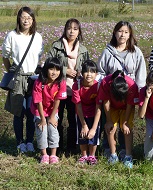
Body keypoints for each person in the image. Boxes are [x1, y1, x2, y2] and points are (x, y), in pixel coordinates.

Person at [97, 21, 147, 159]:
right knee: (110, 122)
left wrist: (140, 94)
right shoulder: (107, 52)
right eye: (120, 31)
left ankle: (125, 150)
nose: (122, 34)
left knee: (125, 123)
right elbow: (100, 72)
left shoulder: (136, 52)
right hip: (111, 92)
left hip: (129, 93)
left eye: (126, 32)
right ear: (114, 32)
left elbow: (141, 74)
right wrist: (106, 85)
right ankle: (109, 149)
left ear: (130, 34)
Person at [2, 6, 43, 153]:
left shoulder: (37, 37)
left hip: (33, 78)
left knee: (31, 111)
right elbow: (5, 56)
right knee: (18, 111)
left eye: (29, 18)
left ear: (33, 20)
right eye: (23, 17)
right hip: (18, 77)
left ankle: (29, 141)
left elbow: (38, 56)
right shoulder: (12, 35)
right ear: (18, 18)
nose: (26, 20)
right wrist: (11, 72)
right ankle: (20, 142)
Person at [48, 18, 89, 154]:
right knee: (57, 119)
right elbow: (49, 64)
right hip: (58, 89)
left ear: (79, 32)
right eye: (69, 28)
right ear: (65, 30)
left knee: (73, 119)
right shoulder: (56, 46)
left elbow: (87, 68)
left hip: (74, 90)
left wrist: (80, 73)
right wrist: (65, 70)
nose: (72, 31)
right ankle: (56, 147)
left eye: (75, 29)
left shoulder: (83, 50)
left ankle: (72, 148)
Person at [97, 70, 139, 168]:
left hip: (126, 108)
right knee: (111, 128)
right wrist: (108, 120)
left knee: (126, 129)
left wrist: (125, 122)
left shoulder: (131, 85)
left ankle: (128, 156)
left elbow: (130, 104)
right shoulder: (106, 82)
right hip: (112, 107)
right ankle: (113, 155)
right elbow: (106, 102)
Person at [31, 57, 66, 164]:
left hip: (52, 110)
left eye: (57, 69)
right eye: (51, 69)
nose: (54, 72)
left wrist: (52, 117)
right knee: (42, 129)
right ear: (46, 69)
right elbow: (38, 101)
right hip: (39, 110)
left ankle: (53, 155)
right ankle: (44, 154)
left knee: (53, 129)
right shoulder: (39, 82)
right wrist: (42, 119)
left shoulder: (61, 83)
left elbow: (58, 100)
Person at [72, 60, 102, 165]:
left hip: (94, 114)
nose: (89, 74)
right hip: (81, 114)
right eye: (86, 71)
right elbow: (78, 106)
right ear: (81, 73)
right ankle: (84, 155)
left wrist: (93, 128)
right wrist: (84, 125)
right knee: (82, 134)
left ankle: (92, 156)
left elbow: (99, 107)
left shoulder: (98, 86)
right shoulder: (77, 85)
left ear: (96, 74)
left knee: (94, 135)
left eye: (92, 72)